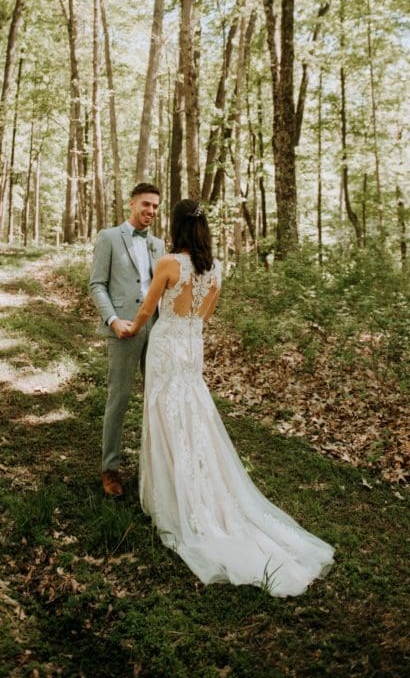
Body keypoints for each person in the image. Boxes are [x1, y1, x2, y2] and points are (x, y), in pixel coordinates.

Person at [123, 198, 334, 597]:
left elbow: (148, 309)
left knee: (165, 414)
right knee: (193, 417)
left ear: (178, 226)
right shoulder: (216, 269)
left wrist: (126, 329)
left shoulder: (169, 263)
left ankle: (174, 498)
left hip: (168, 346)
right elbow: (204, 316)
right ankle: (202, 486)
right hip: (192, 347)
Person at [89, 182, 165, 498]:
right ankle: (110, 468)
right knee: (118, 398)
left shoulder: (159, 245)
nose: (150, 211)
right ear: (132, 203)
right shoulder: (108, 238)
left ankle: (156, 467)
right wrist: (113, 319)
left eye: (156, 207)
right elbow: (97, 285)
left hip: (157, 329)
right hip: (124, 329)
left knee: (157, 399)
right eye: (146, 204)